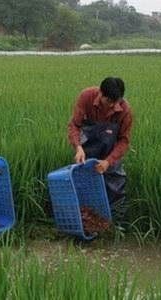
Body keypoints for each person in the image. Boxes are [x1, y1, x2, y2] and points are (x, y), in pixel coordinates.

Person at [67, 77, 133, 224]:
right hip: (87, 151)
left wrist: (108, 162)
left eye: (116, 102)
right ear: (100, 94)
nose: (113, 106)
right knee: (82, 185)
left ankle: (114, 225)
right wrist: (78, 148)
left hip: (110, 153)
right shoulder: (86, 97)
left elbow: (124, 141)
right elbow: (75, 125)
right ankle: (83, 222)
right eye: (109, 101)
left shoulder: (125, 110)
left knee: (116, 187)